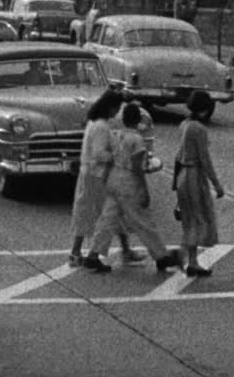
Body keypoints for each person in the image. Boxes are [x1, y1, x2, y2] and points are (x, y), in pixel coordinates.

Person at [88, 104, 182, 273]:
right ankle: (161, 256)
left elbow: (108, 158)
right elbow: (138, 168)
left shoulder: (114, 135)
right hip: (128, 180)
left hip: (113, 177)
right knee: (143, 221)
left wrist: (105, 179)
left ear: (123, 119)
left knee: (107, 219)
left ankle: (94, 254)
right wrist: (144, 190)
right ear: (138, 120)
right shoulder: (137, 140)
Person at [68, 88, 124, 269]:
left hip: (87, 173)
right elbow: (100, 153)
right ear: (110, 108)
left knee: (84, 213)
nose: (117, 112)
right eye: (116, 108)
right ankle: (95, 254)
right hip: (98, 175)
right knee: (107, 217)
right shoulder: (101, 127)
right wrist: (115, 156)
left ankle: (75, 252)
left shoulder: (92, 123)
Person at [172, 91, 225, 277]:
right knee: (199, 219)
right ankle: (182, 254)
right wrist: (216, 184)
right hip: (194, 175)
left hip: (182, 175)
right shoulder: (199, 129)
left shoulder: (184, 124)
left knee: (189, 220)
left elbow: (178, 156)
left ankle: (193, 262)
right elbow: (205, 159)